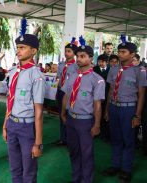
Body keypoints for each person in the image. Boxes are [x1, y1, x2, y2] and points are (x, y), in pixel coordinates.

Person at [2, 18, 44, 182]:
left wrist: (38, 142)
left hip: (27, 127)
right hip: (12, 123)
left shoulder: (36, 75)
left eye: (22, 48)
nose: (18, 51)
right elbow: (9, 101)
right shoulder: (13, 72)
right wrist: (5, 124)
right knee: (14, 167)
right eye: (17, 47)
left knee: (29, 170)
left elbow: (39, 111)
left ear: (33, 51)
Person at [102, 35, 147, 182]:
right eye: (119, 51)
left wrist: (137, 115)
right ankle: (115, 165)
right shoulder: (113, 69)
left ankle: (126, 169)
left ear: (132, 54)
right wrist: (107, 110)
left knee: (128, 140)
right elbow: (110, 91)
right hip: (114, 107)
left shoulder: (139, 71)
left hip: (129, 109)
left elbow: (141, 95)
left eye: (124, 52)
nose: (120, 54)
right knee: (115, 138)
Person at [61, 36, 105, 183]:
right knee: (73, 152)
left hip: (85, 122)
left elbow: (97, 104)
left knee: (86, 154)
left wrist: (97, 124)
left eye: (82, 56)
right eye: (77, 56)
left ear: (91, 58)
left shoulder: (97, 80)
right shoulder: (72, 76)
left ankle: (86, 180)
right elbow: (66, 96)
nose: (79, 59)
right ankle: (76, 178)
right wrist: (63, 113)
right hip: (71, 119)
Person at [55, 37, 78, 146]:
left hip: (70, 93)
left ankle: (70, 139)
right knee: (61, 115)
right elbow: (59, 79)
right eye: (65, 51)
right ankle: (62, 138)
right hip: (60, 92)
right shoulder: (61, 65)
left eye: (69, 51)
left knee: (69, 115)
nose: (66, 53)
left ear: (74, 53)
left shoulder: (76, 66)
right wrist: (57, 91)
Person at [94, 54, 110, 142]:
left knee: (105, 114)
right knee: (96, 112)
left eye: (102, 61)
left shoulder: (110, 70)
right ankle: (96, 131)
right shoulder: (94, 70)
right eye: (98, 61)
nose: (100, 63)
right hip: (96, 95)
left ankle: (105, 133)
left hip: (107, 95)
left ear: (106, 62)